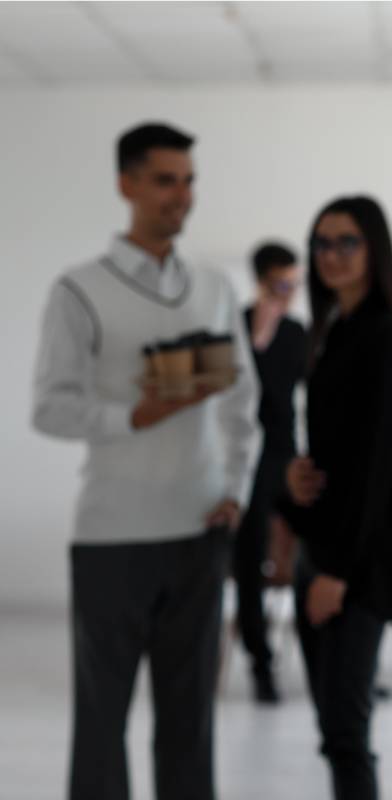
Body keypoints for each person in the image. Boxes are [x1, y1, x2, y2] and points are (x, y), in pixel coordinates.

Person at [31, 122, 260, 800]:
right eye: (165, 180)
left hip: (200, 531)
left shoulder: (214, 288)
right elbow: (49, 408)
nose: (181, 196)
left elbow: (243, 403)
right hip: (113, 538)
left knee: (190, 722)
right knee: (102, 722)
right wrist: (133, 415)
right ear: (125, 184)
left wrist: (236, 491)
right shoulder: (78, 290)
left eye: (188, 181)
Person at [279, 195, 392, 800]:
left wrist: (336, 572)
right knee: (334, 729)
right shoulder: (333, 330)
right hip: (322, 548)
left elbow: (377, 465)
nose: (332, 255)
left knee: (345, 733)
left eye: (347, 242)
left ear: (374, 251)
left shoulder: (384, 335)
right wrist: (295, 476)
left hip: (353, 565)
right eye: (321, 243)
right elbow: (338, 448)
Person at [232, 241, 307, 704]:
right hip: (247, 461)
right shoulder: (238, 326)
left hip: (287, 456)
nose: (290, 293)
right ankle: (260, 662)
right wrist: (257, 340)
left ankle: (340, 662)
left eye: (295, 284)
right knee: (248, 558)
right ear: (261, 282)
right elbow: (233, 394)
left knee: (321, 547)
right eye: (281, 284)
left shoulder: (297, 332)